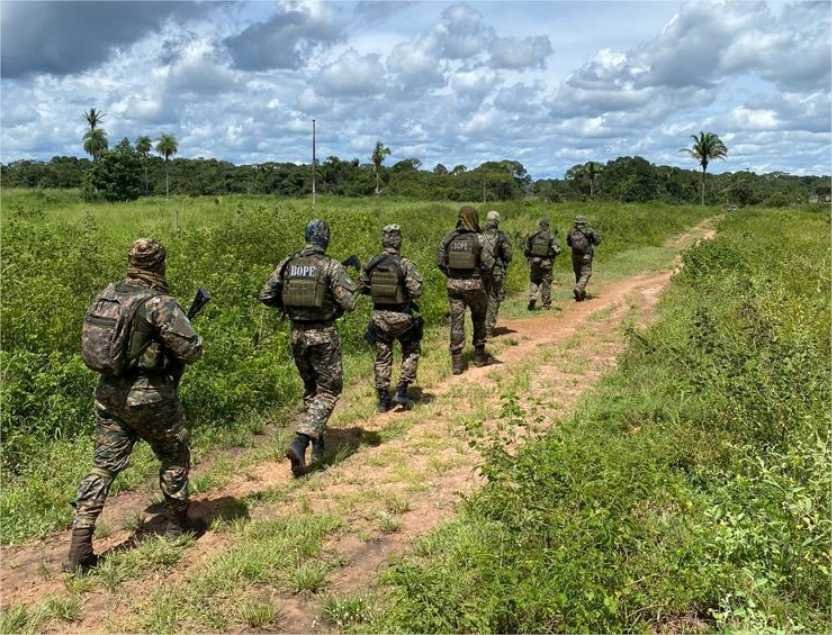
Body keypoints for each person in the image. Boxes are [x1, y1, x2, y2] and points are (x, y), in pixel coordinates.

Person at [64, 238, 204, 573]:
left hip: (109, 393)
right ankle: (176, 525)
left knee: (103, 467)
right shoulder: (158, 302)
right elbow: (192, 350)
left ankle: (79, 546)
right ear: (159, 264)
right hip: (149, 395)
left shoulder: (109, 294)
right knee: (173, 453)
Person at [259, 219, 357, 477]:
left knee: (312, 389)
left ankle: (318, 445)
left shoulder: (288, 263)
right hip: (323, 335)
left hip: (296, 335)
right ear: (325, 239)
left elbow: (266, 295)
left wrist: (290, 308)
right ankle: (301, 441)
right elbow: (350, 302)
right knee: (329, 390)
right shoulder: (330, 266)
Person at [360, 225, 424, 412]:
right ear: (399, 241)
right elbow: (417, 291)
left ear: (384, 240)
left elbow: (363, 287)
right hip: (402, 317)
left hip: (379, 317)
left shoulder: (371, 263)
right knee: (411, 351)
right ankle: (402, 391)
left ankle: (382, 399)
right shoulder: (405, 264)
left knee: (382, 357)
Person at [437, 206, 495, 374]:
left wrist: (451, 274)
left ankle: (456, 363)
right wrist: (478, 276)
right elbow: (488, 263)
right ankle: (479, 356)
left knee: (457, 322)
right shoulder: (480, 239)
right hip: (475, 285)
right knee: (479, 318)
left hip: (454, 286)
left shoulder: (448, 238)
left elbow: (440, 261)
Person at [482, 210, 513, 338]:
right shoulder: (501, 236)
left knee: (482, 299)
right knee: (494, 298)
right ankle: (488, 329)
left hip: (481, 271)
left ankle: (479, 329)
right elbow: (508, 255)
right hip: (496, 271)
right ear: (497, 222)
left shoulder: (479, 235)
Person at [524, 218, 560, 310]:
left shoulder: (533, 235)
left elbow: (527, 250)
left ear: (540, 226)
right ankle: (546, 305)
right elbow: (557, 250)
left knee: (534, 281)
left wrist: (529, 258)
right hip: (546, 263)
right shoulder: (551, 236)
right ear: (547, 226)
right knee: (546, 283)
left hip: (534, 262)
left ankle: (533, 295)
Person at [566, 215, 602, 301]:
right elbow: (597, 242)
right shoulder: (589, 231)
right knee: (586, 273)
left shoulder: (571, 231)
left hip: (575, 255)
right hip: (586, 255)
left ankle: (580, 295)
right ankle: (579, 288)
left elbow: (569, 243)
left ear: (576, 222)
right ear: (584, 222)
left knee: (578, 274)